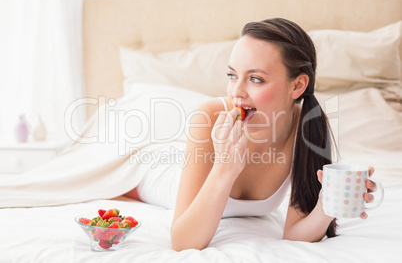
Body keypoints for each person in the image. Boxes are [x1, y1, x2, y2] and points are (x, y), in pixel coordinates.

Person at [125, 18, 378, 251]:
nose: (237, 91)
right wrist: (225, 167)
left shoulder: (308, 126)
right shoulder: (209, 117)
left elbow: (294, 234)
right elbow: (183, 242)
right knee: (126, 175)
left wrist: (326, 207)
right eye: (232, 75)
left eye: (255, 79)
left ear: (297, 85)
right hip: (157, 172)